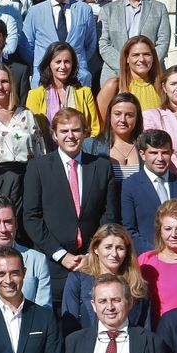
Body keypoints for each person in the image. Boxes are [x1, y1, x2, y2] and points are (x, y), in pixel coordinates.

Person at [23, 108, 119, 308]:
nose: (70, 136)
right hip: (53, 265)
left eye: (75, 130)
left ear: (84, 133)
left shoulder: (102, 167)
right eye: (64, 131)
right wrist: (61, 255)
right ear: (54, 135)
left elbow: (109, 215)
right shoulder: (38, 167)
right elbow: (31, 217)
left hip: (93, 264)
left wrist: (93, 254)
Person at [122, 129, 177, 254]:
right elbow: (128, 229)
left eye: (165, 153)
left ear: (171, 153)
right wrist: (157, 255)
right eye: (153, 153)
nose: (160, 158)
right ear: (142, 154)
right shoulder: (130, 186)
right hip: (147, 259)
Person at [61, 224, 151, 335]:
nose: (114, 254)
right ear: (95, 249)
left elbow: (145, 330)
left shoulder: (138, 285)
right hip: (88, 344)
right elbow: (70, 326)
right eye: (108, 247)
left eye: (120, 248)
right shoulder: (77, 280)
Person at [24, 42, 100, 139]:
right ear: (49, 64)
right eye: (58, 62)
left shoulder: (85, 93)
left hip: (80, 146)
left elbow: (94, 129)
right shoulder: (35, 95)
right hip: (46, 147)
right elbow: (31, 129)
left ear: (73, 64)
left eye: (67, 62)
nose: (63, 66)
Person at [98, 36, 165, 124]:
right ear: (127, 58)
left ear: (153, 58)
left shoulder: (164, 86)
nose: (142, 59)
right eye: (136, 55)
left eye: (146, 54)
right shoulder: (114, 86)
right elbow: (103, 125)